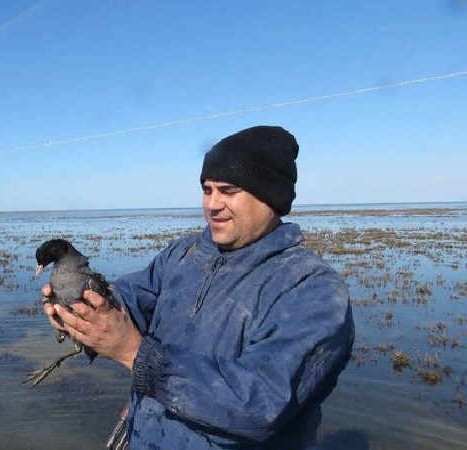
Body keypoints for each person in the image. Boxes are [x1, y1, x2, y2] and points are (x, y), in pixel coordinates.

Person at [42, 125, 355, 450]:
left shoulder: (312, 289)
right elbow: (132, 297)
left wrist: (134, 353)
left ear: (269, 196)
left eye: (228, 190)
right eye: (207, 190)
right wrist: (82, 306)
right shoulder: (184, 254)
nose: (212, 204)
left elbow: (263, 404)